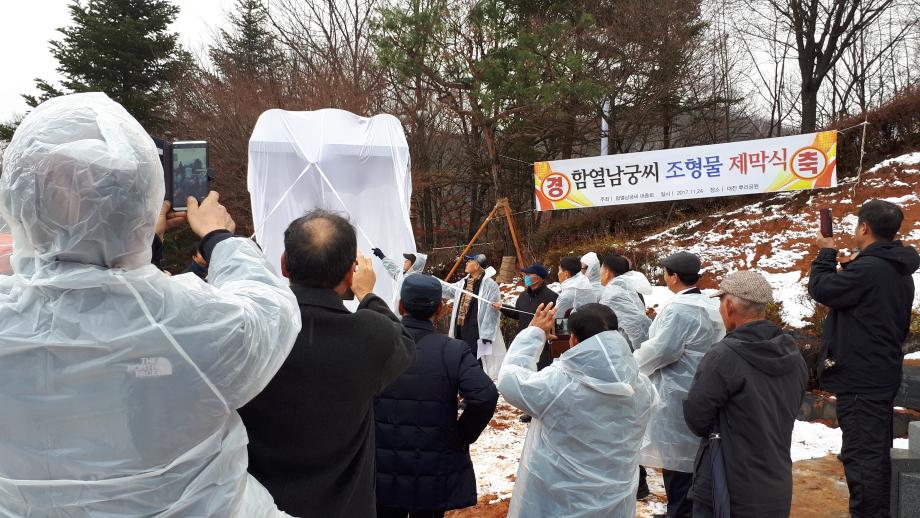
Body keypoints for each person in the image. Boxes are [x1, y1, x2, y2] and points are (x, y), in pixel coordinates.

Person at [0, 92, 301, 517]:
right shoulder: (194, 326)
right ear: (142, 200)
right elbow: (270, 309)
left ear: (18, 200)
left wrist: (142, 243)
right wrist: (219, 237)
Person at [239, 210, 416, 518]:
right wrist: (367, 293)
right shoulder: (371, 337)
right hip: (344, 508)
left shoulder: (248, 332)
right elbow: (403, 343)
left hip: (257, 504)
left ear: (283, 265)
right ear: (351, 271)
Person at [808, 199, 919, 518]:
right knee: (872, 456)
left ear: (864, 228)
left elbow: (822, 288)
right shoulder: (896, 269)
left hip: (861, 381)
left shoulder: (871, 269)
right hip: (878, 374)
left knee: (863, 462)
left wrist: (826, 252)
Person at [499, 302, 656, 518]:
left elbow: (509, 380)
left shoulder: (558, 384)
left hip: (558, 502)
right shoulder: (642, 387)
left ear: (573, 339)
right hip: (614, 501)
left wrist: (534, 333)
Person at [684, 271, 808, 518]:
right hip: (775, 485)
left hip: (727, 488)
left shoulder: (724, 356)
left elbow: (696, 418)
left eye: (721, 302)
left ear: (729, 306)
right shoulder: (793, 355)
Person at [375, 274, 498, 518]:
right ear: (440, 309)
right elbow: (484, 396)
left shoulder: (376, 344)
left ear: (401, 306)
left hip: (382, 464)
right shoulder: (453, 350)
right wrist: (461, 435)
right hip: (433, 464)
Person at [634, 251, 724, 518]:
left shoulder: (679, 308)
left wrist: (631, 364)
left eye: (665, 272)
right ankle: (685, 509)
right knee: (695, 454)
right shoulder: (709, 304)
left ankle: (680, 512)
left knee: (678, 457)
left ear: (673, 277)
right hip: (704, 385)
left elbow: (662, 350)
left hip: (677, 390)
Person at [491, 262, 559, 370]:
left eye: (528, 275)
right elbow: (518, 314)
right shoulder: (523, 296)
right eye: (525, 275)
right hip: (523, 343)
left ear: (539, 278)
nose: (525, 277)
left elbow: (556, 323)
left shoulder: (552, 297)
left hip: (542, 346)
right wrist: (502, 307)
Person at [444, 253, 501, 362]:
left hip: (478, 335)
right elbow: (448, 289)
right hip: (460, 332)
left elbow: (492, 316)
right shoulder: (463, 283)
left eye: (470, 261)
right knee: (460, 363)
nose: (466, 263)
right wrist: (430, 282)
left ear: (477, 266)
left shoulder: (490, 286)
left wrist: (486, 342)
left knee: (480, 366)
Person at [599, 253, 653, 350]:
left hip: (624, 349)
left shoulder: (613, 293)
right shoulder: (624, 286)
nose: (600, 273)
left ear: (607, 272)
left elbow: (636, 324)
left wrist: (640, 354)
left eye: (601, 268)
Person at [372, 247, 428, 312]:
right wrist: (381, 256)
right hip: (395, 314)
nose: (405, 261)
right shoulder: (402, 275)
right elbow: (392, 268)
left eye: (408, 260)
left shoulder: (418, 282)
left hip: (406, 317)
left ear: (414, 264)